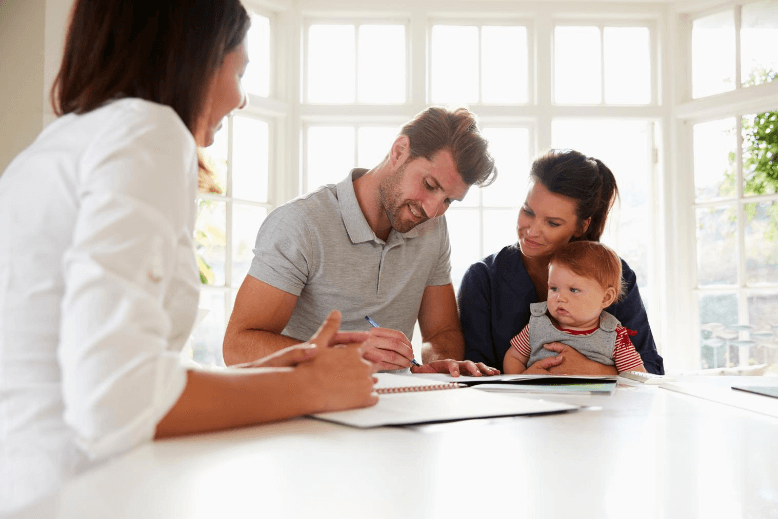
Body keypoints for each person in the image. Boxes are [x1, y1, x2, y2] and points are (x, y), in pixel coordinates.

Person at [0, 0, 376, 513]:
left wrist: (270, 375)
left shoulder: (58, 144)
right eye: (240, 70)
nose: (242, 99)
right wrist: (311, 389)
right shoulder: (147, 130)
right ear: (194, 55)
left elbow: (102, 372)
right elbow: (116, 401)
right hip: (71, 494)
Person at [223, 107, 501, 377]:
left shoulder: (433, 228)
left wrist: (438, 363)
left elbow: (441, 333)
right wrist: (341, 356)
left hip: (391, 406)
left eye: (448, 201)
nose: (431, 210)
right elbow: (237, 346)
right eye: (429, 185)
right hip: (304, 404)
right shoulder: (300, 223)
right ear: (399, 151)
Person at [458, 148, 665, 374]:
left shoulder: (614, 274)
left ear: (581, 226)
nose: (532, 231)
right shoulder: (483, 278)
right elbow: (474, 375)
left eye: (553, 223)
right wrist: (523, 381)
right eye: (528, 211)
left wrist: (592, 370)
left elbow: (650, 372)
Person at [503, 241, 646, 374]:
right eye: (554, 288)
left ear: (606, 298)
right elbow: (513, 357)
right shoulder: (537, 324)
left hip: (593, 401)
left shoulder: (615, 336)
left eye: (573, 290)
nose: (560, 297)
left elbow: (636, 377)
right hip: (540, 399)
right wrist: (523, 378)